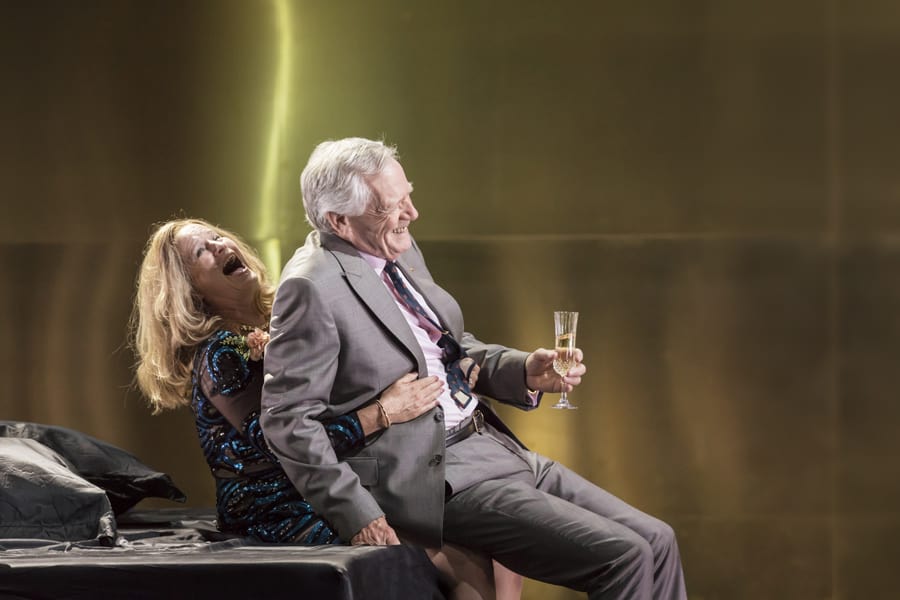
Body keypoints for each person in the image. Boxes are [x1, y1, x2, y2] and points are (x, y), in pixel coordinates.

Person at [260, 137, 688, 599]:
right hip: (436, 475)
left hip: (492, 445)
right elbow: (287, 420)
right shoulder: (311, 287)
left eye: (408, 196)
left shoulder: (394, 246)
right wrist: (354, 510)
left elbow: (445, 345)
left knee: (658, 540)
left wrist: (522, 371)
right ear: (338, 220)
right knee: (623, 555)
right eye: (392, 205)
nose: (412, 214)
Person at [130, 218, 521, 599]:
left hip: (345, 478)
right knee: (461, 565)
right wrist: (382, 412)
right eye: (202, 251)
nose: (219, 246)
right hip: (281, 505)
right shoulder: (220, 351)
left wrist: (451, 364)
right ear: (189, 289)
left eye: (216, 237)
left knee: (505, 547)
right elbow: (285, 444)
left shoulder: (283, 315)